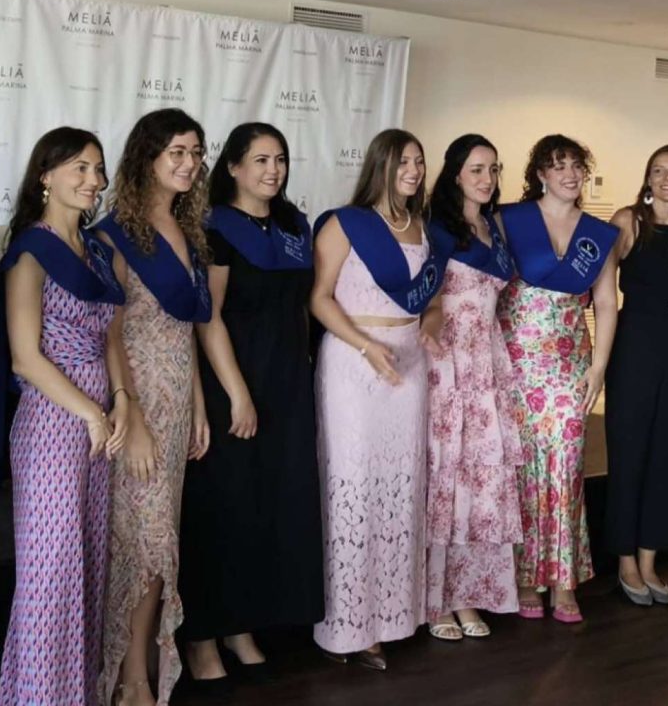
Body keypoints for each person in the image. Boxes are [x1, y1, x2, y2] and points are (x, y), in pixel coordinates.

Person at [180, 123, 324, 682]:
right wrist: (237, 393)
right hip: (234, 383)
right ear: (234, 167)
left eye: (280, 159)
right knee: (226, 507)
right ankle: (203, 636)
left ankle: (243, 626)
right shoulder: (215, 227)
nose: (273, 170)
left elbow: (303, 304)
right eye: (260, 160)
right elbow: (209, 317)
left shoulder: (294, 226)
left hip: (287, 384)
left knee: (269, 506)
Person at [0, 128, 127, 705]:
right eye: (79, 167)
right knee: (51, 573)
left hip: (101, 423)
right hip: (53, 421)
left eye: (98, 169)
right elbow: (25, 357)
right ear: (45, 176)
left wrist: (120, 400)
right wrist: (91, 413)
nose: (93, 180)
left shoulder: (98, 251)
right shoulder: (31, 249)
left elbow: (112, 336)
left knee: (89, 564)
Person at [311, 128, 445, 671]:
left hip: (408, 363)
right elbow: (319, 299)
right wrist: (366, 345)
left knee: (400, 484)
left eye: (419, 161)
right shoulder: (346, 223)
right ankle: (347, 626)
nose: (413, 171)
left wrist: (429, 325)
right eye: (402, 161)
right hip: (354, 360)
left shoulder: (424, 228)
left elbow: (432, 301)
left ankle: (391, 616)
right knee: (354, 486)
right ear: (380, 166)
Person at [95, 109, 211, 706]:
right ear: (147, 158)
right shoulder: (116, 233)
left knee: (161, 544)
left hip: (177, 400)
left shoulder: (190, 231)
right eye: (177, 152)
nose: (189, 163)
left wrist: (198, 405)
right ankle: (130, 676)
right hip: (136, 400)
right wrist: (133, 416)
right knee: (143, 539)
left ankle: (137, 670)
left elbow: (189, 328)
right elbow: (109, 333)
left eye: (196, 152)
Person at [498, 133, 619, 624]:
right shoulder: (510, 221)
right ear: (541, 174)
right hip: (517, 364)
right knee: (524, 470)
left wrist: (598, 367)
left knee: (566, 468)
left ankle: (564, 580)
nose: (570, 174)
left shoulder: (598, 234)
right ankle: (526, 576)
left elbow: (606, 304)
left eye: (576, 166)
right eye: (559, 165)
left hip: (571, 368)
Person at [421, 134, 522, 640]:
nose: (487, 179)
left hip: (488, 363)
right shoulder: (437, 228)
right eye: (477, 169)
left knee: (481, 482)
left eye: (493, 169)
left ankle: (469, 593)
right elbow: (426, 298)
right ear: (455, 173)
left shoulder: (494, 228)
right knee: (448, 479)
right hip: (450, 365)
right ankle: (438, 599)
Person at [603, 145, 668, 606]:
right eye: (659, 170)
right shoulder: (628, 222)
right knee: (630, 453)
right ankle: (625, 560)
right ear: (647, 179)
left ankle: (649, 560)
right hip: (635, 349)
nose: (667, 178)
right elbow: (601, 288)